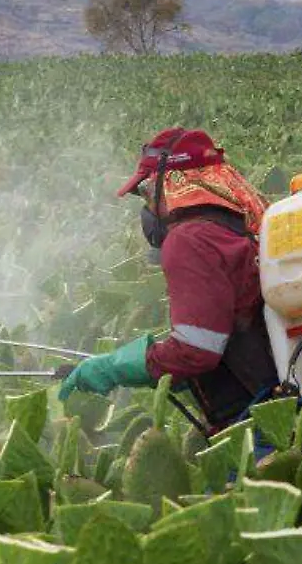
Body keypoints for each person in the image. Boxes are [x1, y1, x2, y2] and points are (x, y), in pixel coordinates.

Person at [58, 128, 279, 434]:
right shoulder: (238, 224)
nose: (148, 208)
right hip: (287, 391)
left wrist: (118, 367)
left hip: (260, 414)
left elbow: (196, 349)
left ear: (173, 183)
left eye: (148, 193)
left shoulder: (190, 239)